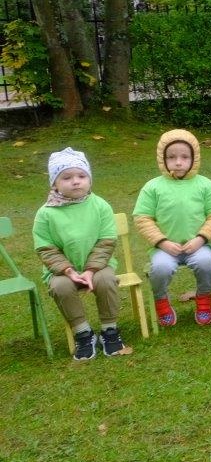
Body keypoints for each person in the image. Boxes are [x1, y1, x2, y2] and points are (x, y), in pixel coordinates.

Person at [33, 148, 126, 360]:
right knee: (60, 286)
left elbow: (106, 241)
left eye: (81, 176)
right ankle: (83, 333)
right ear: (54, 184)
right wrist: (68, 271)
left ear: (89, 179)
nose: (76, 182)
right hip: (63, 271)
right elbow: (46, 248)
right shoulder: (45, 213)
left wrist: (91, 270)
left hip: (98, 267)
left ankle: (110, 330)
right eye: (66, 178)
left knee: (107, 280)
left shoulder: (100, 206)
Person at [132, 129, 211, 326]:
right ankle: (161, 301)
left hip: (199, 246)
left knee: (207, 263)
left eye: (185, 157)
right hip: (165, 248)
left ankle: (204, 298)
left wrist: (200, 239)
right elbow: (143, 218)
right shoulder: (153, 187)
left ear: (194, 158)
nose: (178, 162)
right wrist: (162, 242)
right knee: (160, 268)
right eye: (171, 157)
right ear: (162, 158)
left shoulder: (205, 185)